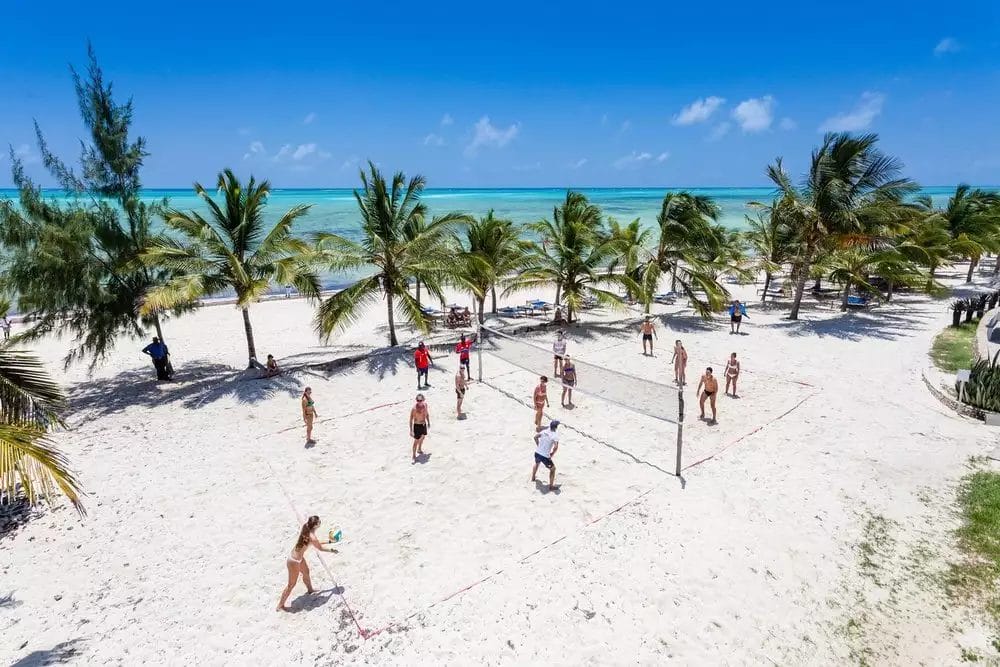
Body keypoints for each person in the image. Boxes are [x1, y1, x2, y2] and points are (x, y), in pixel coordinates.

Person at [276, 515, 339, 612]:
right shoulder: (312, 536)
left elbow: (315, 542)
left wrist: (330, 541)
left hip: (298, 558)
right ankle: (280, 605)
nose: (320, 523)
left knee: (306, 572)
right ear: (315, 525)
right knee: (291, 585)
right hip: (294, 561)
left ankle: (310, 590)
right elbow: (319, 547)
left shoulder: (306, 527)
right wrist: (332, 550)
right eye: (319, 522)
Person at [531, 420, 560, 491]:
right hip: (545, 456)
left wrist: (538, 445)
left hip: (537, 452)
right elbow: (556, 447)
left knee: (537, 463)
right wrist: (552, 454)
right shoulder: (555, 435)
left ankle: (533, 477)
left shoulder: (544, 431)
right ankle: (551, 486)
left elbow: (535, 437)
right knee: (553, 469)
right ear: (556, 427)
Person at [410, 393, 430, 462]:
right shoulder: (414, 409)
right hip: (417, 426)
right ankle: (413, 455)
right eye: (418, 400)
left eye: (420, 400)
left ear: (423, 400)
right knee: (416, 441)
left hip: (423, 425)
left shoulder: (425, 405)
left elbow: (427, 414)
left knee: (423, 437)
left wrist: (428, 422)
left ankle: (419, 449)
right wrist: (411, 430)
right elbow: (410, 420)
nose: (419, 402)